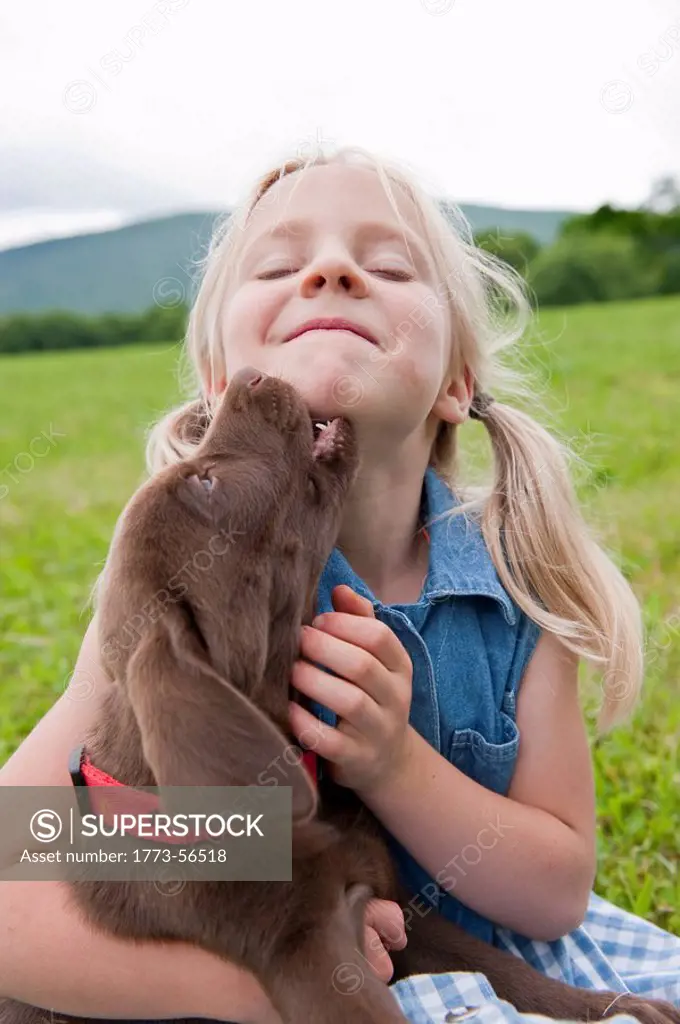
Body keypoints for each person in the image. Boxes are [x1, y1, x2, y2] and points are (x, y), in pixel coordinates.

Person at [1, 145, 678, 1024]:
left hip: (480, 972)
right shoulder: (186, 587)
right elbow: (22, 857)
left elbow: (555, 895)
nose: (330, 271)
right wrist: (272, 971)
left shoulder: (519, 592)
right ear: (220, 387)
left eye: (389, 266)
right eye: (280, 266)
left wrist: (395, 764)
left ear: (455, 383)